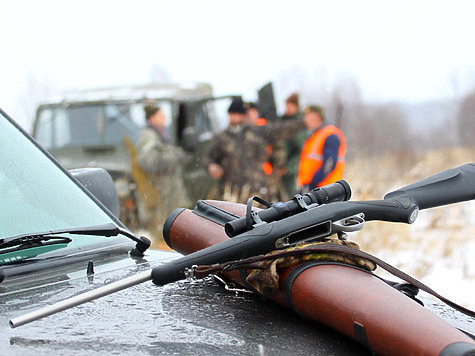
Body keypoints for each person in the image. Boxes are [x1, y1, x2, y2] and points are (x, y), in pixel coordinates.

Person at [206, 97, 304, 203]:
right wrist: (211, 166)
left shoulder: (257, 131)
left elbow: (281, 130)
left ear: (243, 115)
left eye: (236, 114)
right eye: (231, 114)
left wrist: (303, 123)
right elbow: (209, 157)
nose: (233, 117)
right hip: (231, 191)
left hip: (258, 188)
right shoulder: (221, 137)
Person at [135, 104, 191, 244]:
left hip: (167, 195)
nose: (164, 118)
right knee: (161, 232)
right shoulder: (149, 136)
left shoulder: (159, 135)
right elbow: (148, 161)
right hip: (160, 195)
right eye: (161, 115)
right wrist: (172, 158)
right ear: (153, 117)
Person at [297, 105, 346, 192]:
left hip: (325, 191)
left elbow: (329, 163)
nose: (306, 120)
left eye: (308, 117)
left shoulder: (330, 135)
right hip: (314, 188)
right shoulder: (315, 135)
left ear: (317, 117)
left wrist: (313, 182)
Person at [278, 93, 307, 196]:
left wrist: (288, 167)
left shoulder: (299, 124)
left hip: (292, 170)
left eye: (290, 106)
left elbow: (301, 151)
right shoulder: (281, 121)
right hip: (278, 166)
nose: (287, 109)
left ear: (296, 107)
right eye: (286, 106)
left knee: (290, 196)